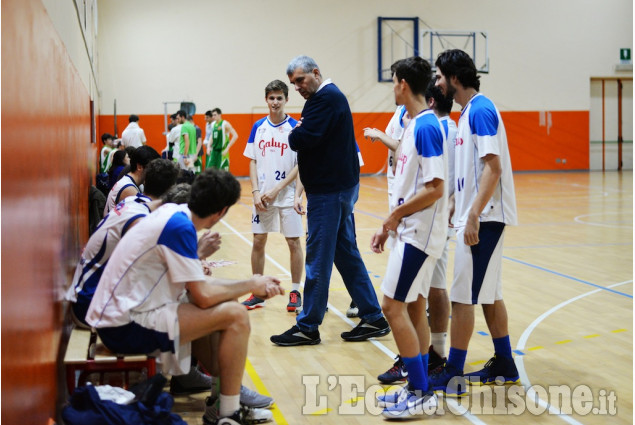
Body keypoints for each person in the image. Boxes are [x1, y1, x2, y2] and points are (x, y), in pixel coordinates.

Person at [86, 169, 284, 425]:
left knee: (225, 302)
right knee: (235, 315)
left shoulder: (173, 214)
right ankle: (230, 414)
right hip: (123, 325)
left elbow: (200, 289)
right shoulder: (180, 227)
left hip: (120, 313)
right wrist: (251, 284)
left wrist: (243, 285)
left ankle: (222, 400)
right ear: (220, 212)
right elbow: (202, 296)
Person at [270, 55, 390, 346]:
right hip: (337, 189)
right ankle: (374, 317)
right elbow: (307, 137)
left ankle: (308, 325)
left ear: (316, 72)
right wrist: (300, 133)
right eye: (293, 83)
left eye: (300, 80)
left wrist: (297, 134)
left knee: (318, 259)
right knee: (345, 254)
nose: (297, 87)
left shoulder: (325, 99)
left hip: (329, 193)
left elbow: (303, 139)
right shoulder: (326, 99)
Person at [429, 49, 519, 395]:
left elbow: (493, 169)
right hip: (478, 215)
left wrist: (473, 216)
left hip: (486, 219)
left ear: (453, 78)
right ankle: (505, 363)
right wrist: (456, 201)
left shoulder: (481, 110)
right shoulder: (467, 114)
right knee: (489, 295)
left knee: (462, 297)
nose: (436, 83)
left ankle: (453, 372)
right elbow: (472, 171)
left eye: (439, 76)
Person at [370, 57, 447, 418]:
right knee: (414, 306)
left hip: (420, 234)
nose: (393, 88)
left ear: (403, 84)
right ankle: (420, 387)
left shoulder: (428, 126)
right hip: (407, 231)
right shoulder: (413, 125)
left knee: (391, 306)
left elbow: (435, 188)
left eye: (394, 81)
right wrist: (390, 224)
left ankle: (420, 392)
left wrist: (393, 217)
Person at [67, 159, 180, 327]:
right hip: (89, 306)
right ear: (172, 191)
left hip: (85, 296)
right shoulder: (140, 220)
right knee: (185, 304)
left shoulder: (132, 202)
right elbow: (151, 273)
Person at [240, 80, 304, 312]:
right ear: (266, 100)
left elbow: (301, 165)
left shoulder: (296, 128)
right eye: (271, 98)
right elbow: (253, 160)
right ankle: (257, 291)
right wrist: (255, 192)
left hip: (287, 196)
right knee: (258, 241)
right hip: (262, 197)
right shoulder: (258, 126)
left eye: (279, 98)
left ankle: (295, 290)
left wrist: (278, 188)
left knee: (293, 242)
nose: (275, 102)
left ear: (287, 99)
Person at [104, 146, 160, 215]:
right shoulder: (129, 189)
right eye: (151, 167)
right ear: (139, 167)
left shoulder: (127, 180)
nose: (153, 172)